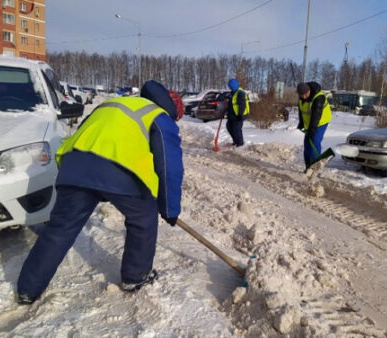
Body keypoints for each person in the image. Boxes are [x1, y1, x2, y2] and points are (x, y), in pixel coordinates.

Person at [16, 80, 184, 304]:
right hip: (117, 172)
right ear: (172, 110)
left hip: (74, 166)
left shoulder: (114, 103)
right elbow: (169, 167)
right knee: (143, 218)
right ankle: (136, 276)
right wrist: (169, 209)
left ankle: (28, 289)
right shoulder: (159, 116)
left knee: (59, 228)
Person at [296, 81, 332, 171]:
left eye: (305, 94)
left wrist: (312, 130)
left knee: (314, 140)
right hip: (309, 123)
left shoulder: (319, 97)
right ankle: (308, 167)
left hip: (321, 121)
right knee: (307, 144)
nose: (303, 97)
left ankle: (314, 167)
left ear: (309, 91)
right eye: (301, 95)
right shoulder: (301, 98)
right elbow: (301, 111)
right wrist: (301, 123)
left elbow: (316, 116)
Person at [225, 78, 249, 147]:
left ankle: (240, 144)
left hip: (238, 115)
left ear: (235, 85)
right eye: (230, 86)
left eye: (231, 86)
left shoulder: (240, 93)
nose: (231, 88)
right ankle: (236, 141)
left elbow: (242, 105)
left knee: (237, 129)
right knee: (229, 127)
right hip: (232, 115)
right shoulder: (233, 93)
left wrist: (240, 115)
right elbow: (232, 102)